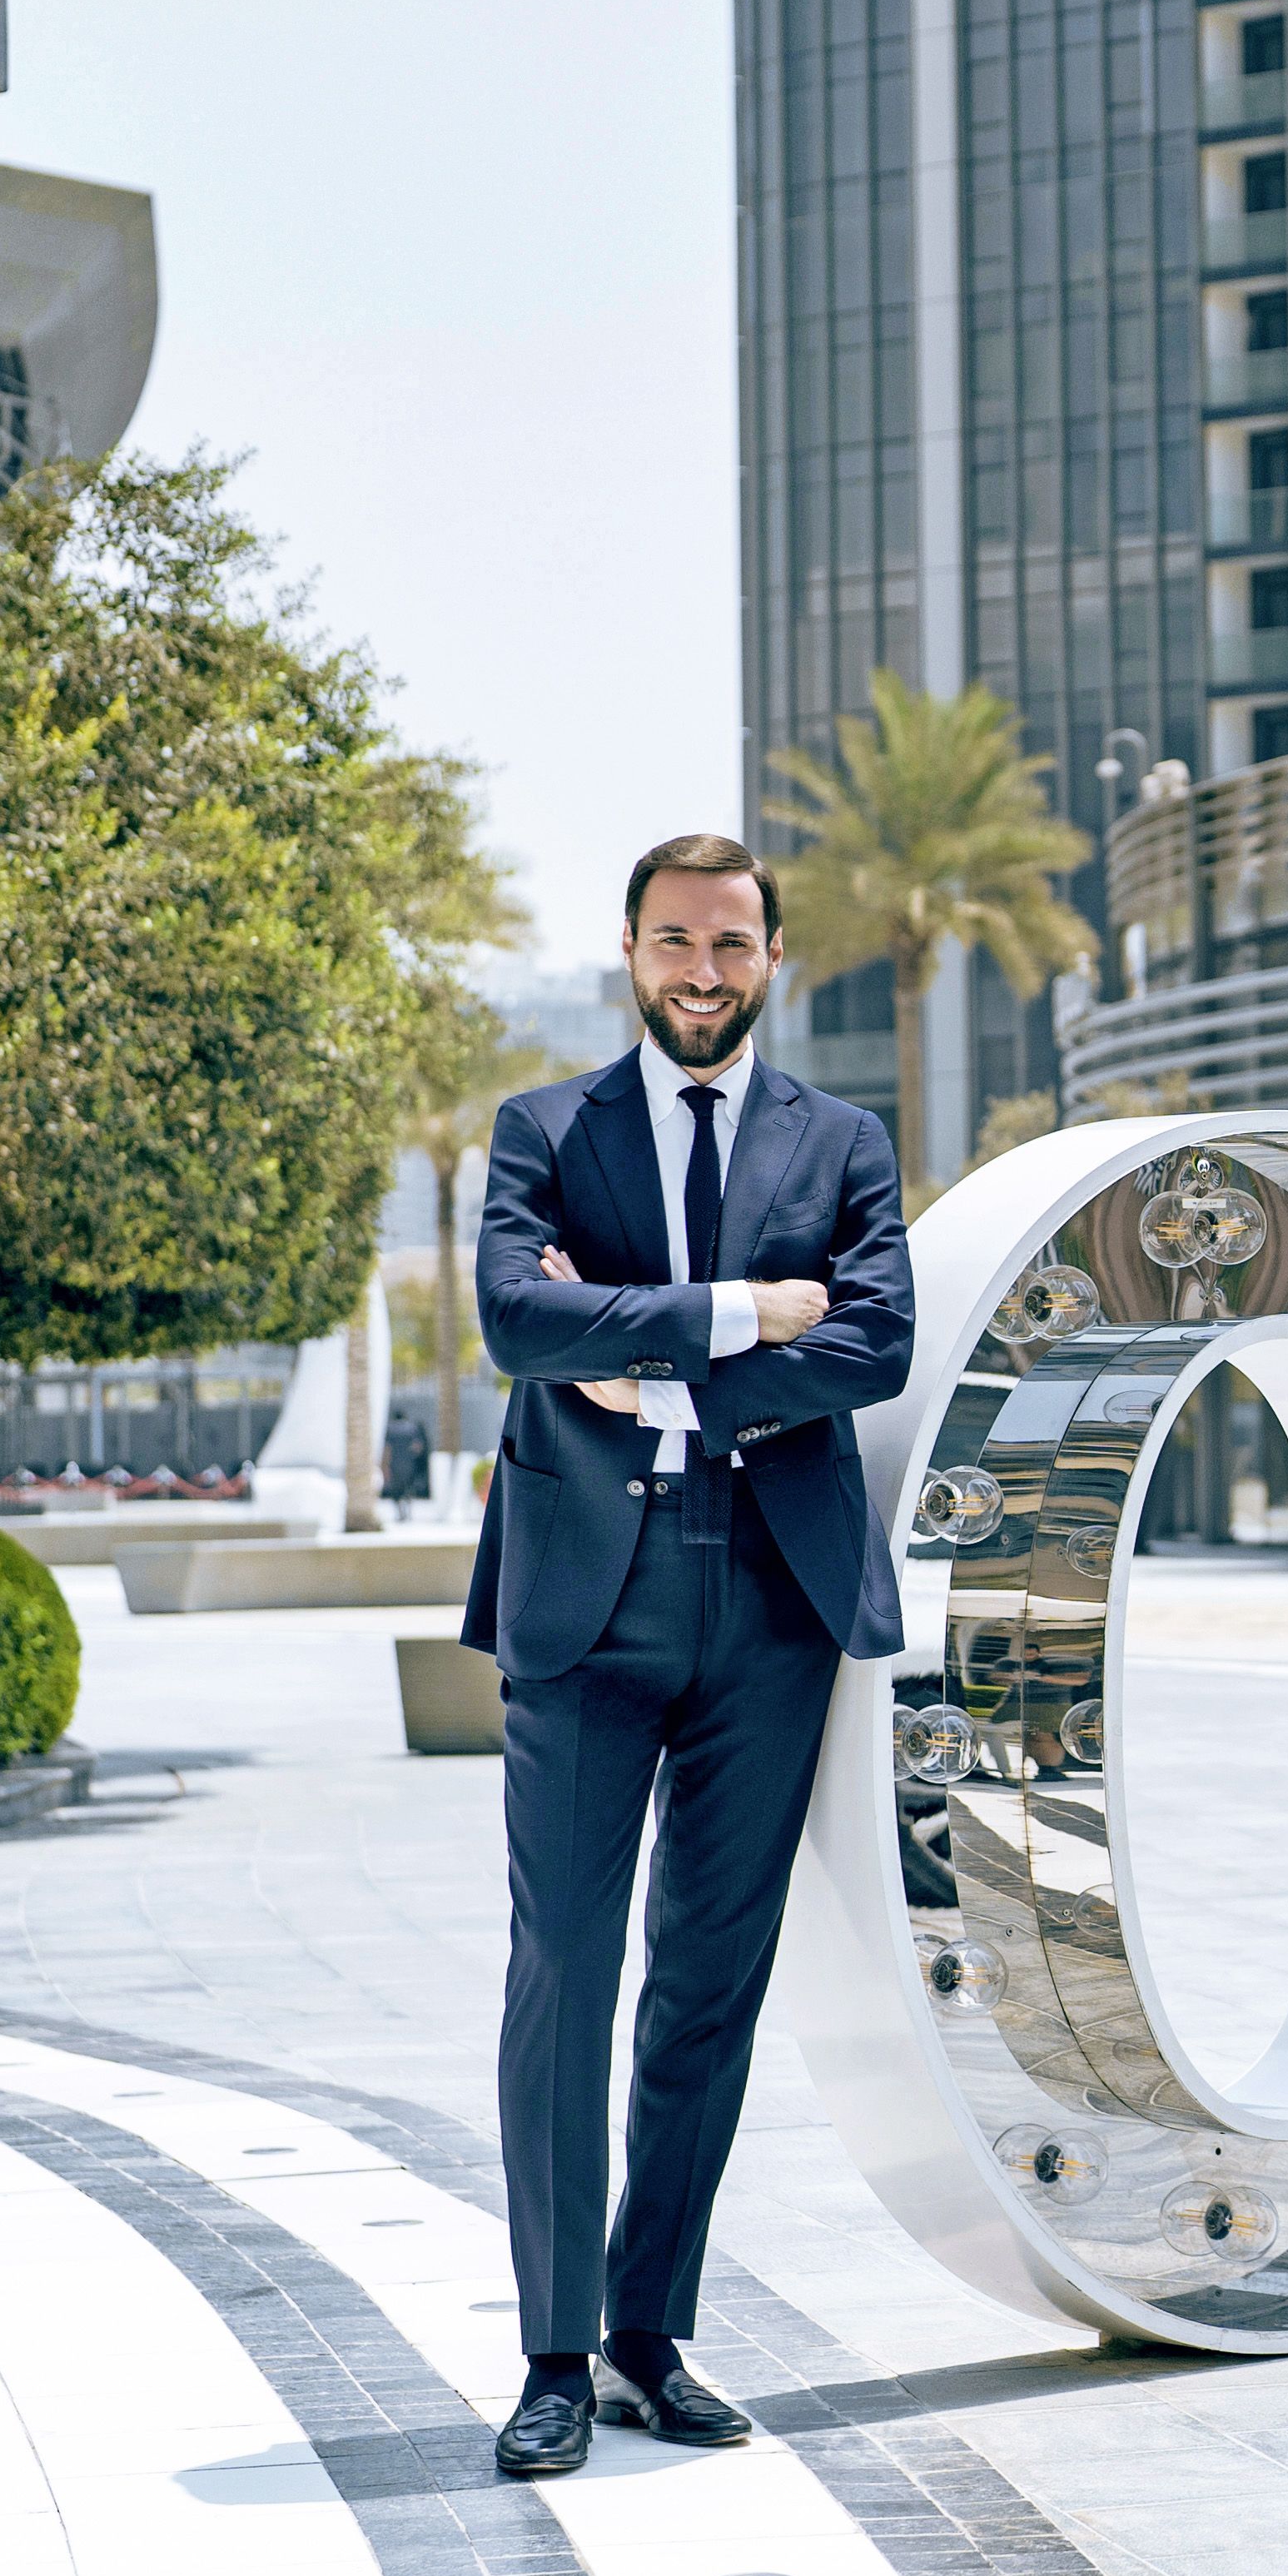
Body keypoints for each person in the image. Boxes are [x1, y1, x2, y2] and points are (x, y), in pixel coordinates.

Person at [463, 832, 911, 2479]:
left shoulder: (843, 1141)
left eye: (730, 943)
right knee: (565, 1972)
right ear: (631, 951)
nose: (702, 972)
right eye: (674, 941)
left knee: (709, 1984)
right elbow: (514, 1321)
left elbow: (876, 1339)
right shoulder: (544, 1130)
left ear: (772, 955)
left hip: (774, 1606)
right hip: (588, 1602)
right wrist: (743, 1312)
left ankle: (649, 2334)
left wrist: (644, 1361)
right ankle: (554, 2353)